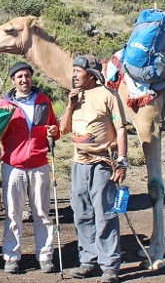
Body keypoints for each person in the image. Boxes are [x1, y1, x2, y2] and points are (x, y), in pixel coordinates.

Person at [59, 55, 128, 283]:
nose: (74, 75)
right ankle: (88, 261)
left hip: (102, 163)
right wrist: (70, 106)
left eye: (78, 71)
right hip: (79, 163)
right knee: (82, 214)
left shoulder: (108, 95)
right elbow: (64, 129)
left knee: (105, 215)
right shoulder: (75, 97)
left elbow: (121, 129)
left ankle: (109, 266)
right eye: (74, 71)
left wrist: (122, 161)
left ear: (91, 74)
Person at [0, 61, 60, 274]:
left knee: (42, 213)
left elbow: (54, 129)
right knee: (13, 213)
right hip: (13, 165)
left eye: (27, 76)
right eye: (19, 77)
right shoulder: (4, 104)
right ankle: (11, 257)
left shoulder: (43, 101)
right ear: (13, 81)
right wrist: (3, 118)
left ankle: (45, 256)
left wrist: (53, 131)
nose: (24, 80)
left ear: (31, 78)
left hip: (39, 163)